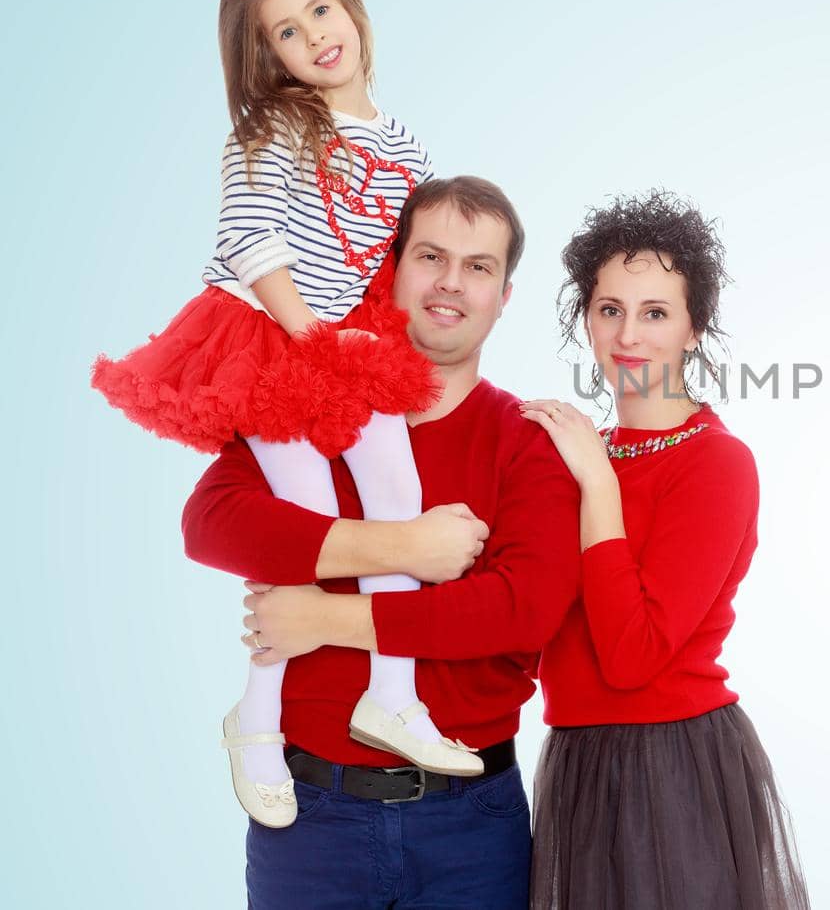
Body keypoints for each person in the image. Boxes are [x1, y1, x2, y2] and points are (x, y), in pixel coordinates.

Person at [91, 0, 477, 826]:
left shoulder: (408, 146)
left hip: (348, 339)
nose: (315, 37)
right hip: (270, 332)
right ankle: (256, 719)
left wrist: (393, 342)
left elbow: (403, 257)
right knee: (304, 521)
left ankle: (392, 692)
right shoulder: (272, 127)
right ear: (268, 57)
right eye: (287, 32)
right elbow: (251, 238)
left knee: (396, 488)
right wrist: (311, 334)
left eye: (321, 10)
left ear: (352, 5)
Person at [182, 177, 578, 909]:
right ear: (392, 268)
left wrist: (326, 617)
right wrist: (405, 546)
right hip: (310, 818)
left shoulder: (529, 441)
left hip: (473, 823)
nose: (451, 283)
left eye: (479, 265)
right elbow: (211, 522)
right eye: (430, 256)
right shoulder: (314, 405)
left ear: (504, 295)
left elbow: (520, 611)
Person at [520, 191, 809, 909]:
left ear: (693, 327)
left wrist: (595, 481)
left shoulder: (716, 463)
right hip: (579, 761)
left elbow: (633, 653)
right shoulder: (583, 454)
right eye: (609, 308)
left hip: (674, 767)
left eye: (655, 312)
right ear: (584, 319)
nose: (629, 334)